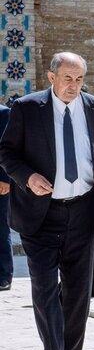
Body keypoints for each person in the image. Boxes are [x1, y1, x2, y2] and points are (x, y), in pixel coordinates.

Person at [0, 52, 94, 350]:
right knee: (44, 287)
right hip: (41, 214)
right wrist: (27, 177)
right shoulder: (27, 108)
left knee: (78, 292)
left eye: (79, 79)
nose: (74, 85)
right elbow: (6, 152)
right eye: (67, 78)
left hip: (84, 212)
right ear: (51, 77)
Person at [0, 103, 11, 292]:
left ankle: (3, 275)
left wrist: (5, 178)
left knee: (1, 227)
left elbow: (7, 149)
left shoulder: (4, 113)